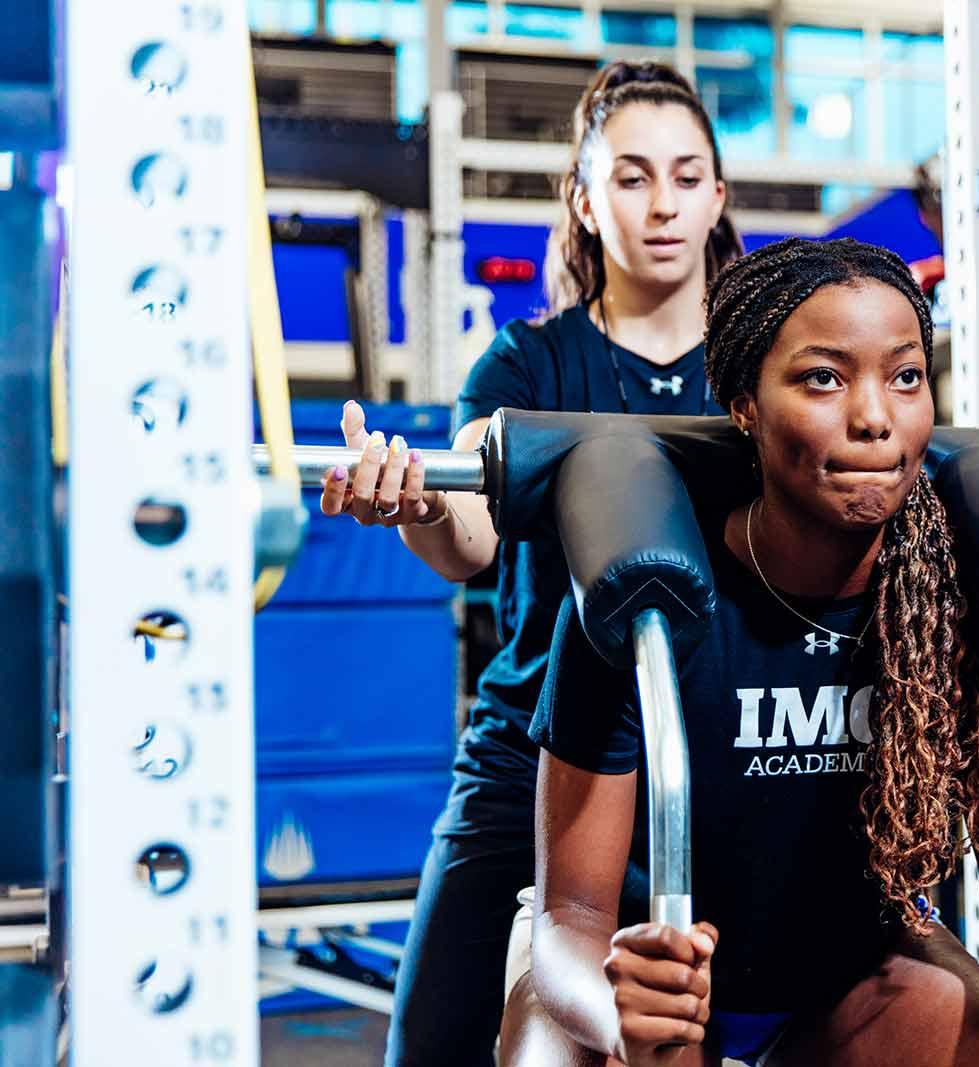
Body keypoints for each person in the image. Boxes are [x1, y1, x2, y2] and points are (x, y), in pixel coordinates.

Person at [505, 237, 979, 1067]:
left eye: (905, 376)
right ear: (745, 402)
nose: (874, 416)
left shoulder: (970, 593)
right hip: (633, 962)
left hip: (853, 976)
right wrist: (616, 1010)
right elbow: (570, 916)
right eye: (823, 377)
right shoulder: (649, 600)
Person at [316, 60, 743, 1067]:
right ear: (584, 200)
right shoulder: (528, 363)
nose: (663, 204)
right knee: (435, 1044)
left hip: (719, 742)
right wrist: (419, 494)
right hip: (538, 745)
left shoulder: (766, 367)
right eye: (631, 177)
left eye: (686, 176)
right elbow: (468, 531)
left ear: (718, 197)